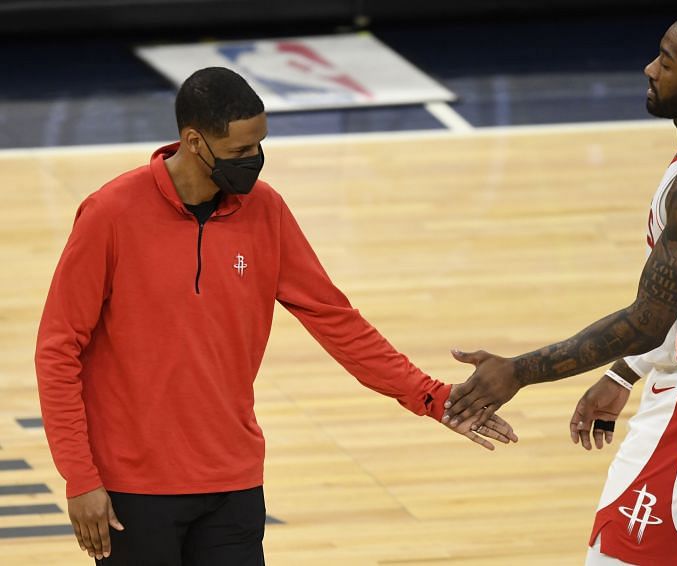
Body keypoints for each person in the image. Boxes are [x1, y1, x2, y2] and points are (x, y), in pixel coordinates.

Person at [35, 66, 517, 565]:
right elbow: (57, 350)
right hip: (132, 489)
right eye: (241, 151)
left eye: (259, 146)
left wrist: (434, 398)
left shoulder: (265, 211)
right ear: (194, 141)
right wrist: (80, 477)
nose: (255, 162)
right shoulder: (110, 213)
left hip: (233, 481)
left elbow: (339, 322)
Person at [442, 9, 677, 565]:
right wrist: (627, 371)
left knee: (616, 557)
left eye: (666, 61)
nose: (650, 68)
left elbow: (648, 317)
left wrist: (517, 371)